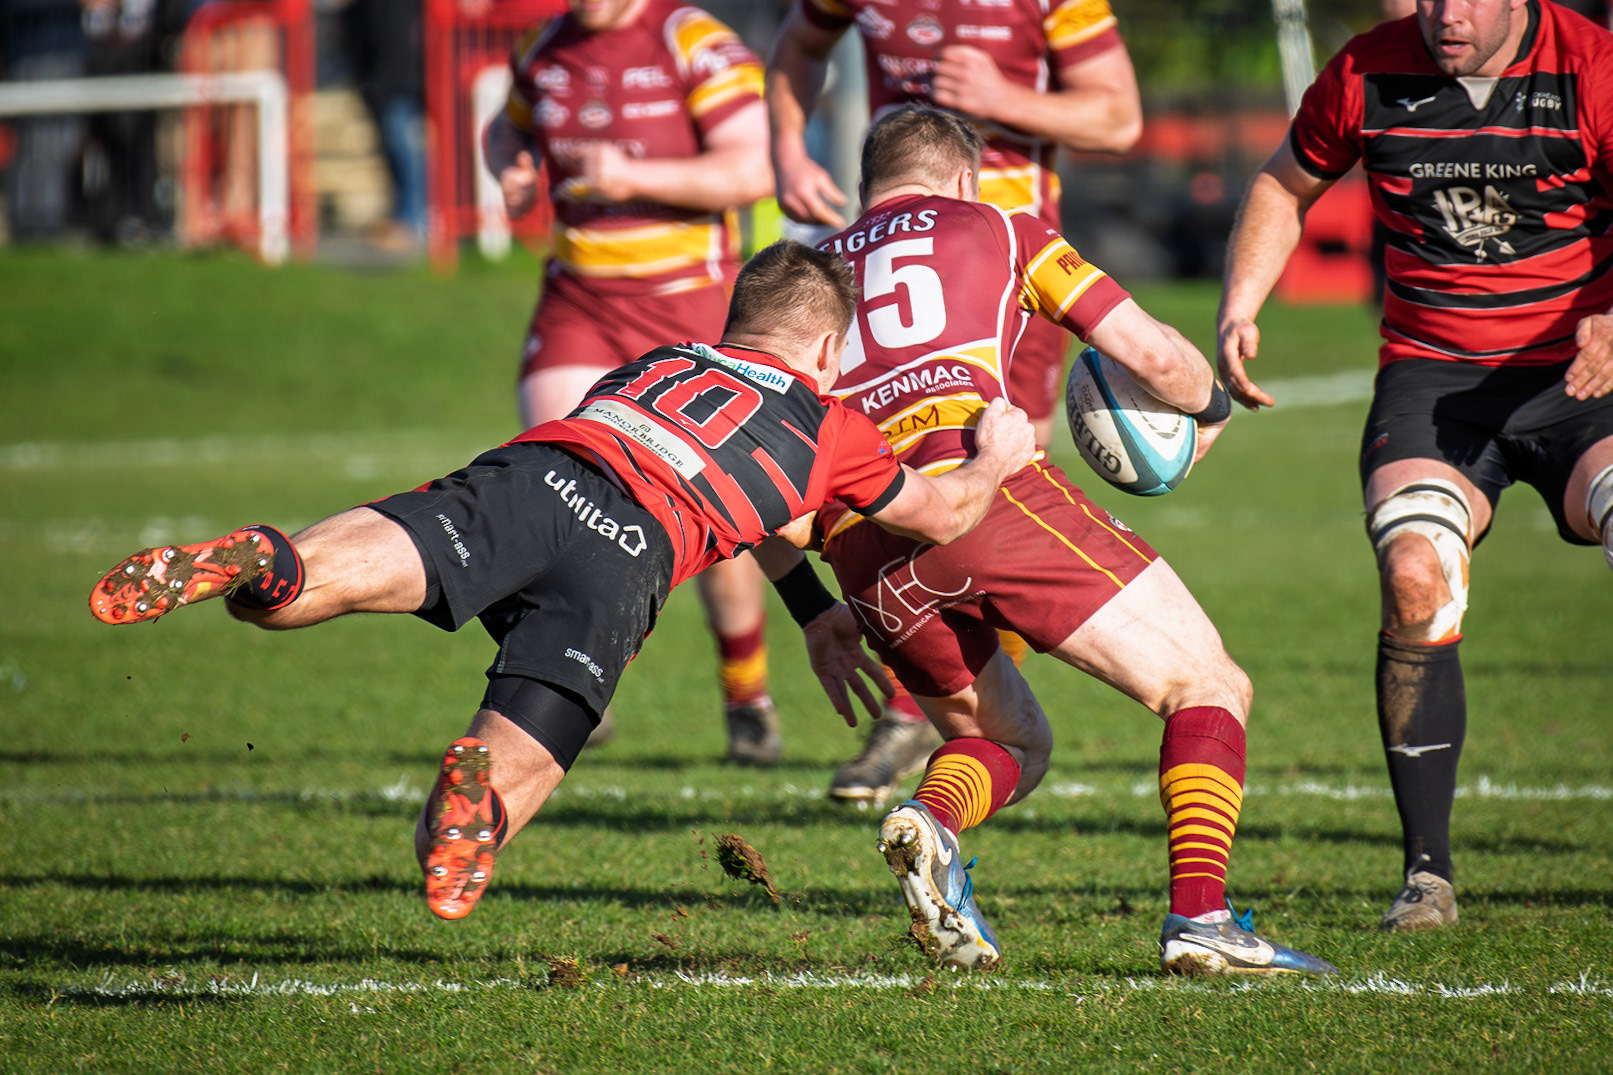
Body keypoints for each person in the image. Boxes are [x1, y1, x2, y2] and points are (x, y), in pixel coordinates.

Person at [87, 239, 1039, 924]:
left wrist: (811, 612)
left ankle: (271, 556)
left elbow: (756, 508)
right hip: (624, 560)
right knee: (455, 842)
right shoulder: (830, 429)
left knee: (300, 594)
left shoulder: (660, 362)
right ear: (829, 353)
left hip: (544, 474)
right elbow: (939, 513)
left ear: (737, 322)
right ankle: (480, 800)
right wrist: (994, 455)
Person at [813, 106, 1335, 976]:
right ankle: (1200, 917)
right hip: (985, 489)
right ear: (964, 179)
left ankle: (931, 820)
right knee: (1205, 683)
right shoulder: (1001, 225)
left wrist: (809, 604)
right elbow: (1154, 356)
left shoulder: (812, 271)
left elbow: (763, 445)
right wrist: (1209, 407)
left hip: (864, 546)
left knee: (1011, 742)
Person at [1217, 0, 1613, 931]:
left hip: (1580, 373)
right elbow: (1283, 184)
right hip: (1435, 379)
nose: (1448, 14)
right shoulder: (1363, 72)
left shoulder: (1590, 66)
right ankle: (1425, 876)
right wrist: (1240, 303)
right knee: (1411, 574)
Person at [767, 0, 1145, 803]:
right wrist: (786, 153)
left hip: (1006, 276)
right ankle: (938, 705)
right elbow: (798, 48)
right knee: (868, 478)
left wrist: (1001, 100)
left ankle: (928, 708)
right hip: (881, 263)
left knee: (992, 492)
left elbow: (1117, 119)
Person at [484, 0, 783, 761]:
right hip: (579, 299)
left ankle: (746, 692)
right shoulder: (548, 44)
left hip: (685, 303)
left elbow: (751, 169)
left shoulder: (693, 42)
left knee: (716, 515)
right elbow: (505, 123)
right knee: (549, 485)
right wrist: (511, 165)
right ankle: (559, 677)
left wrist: (627, 172)